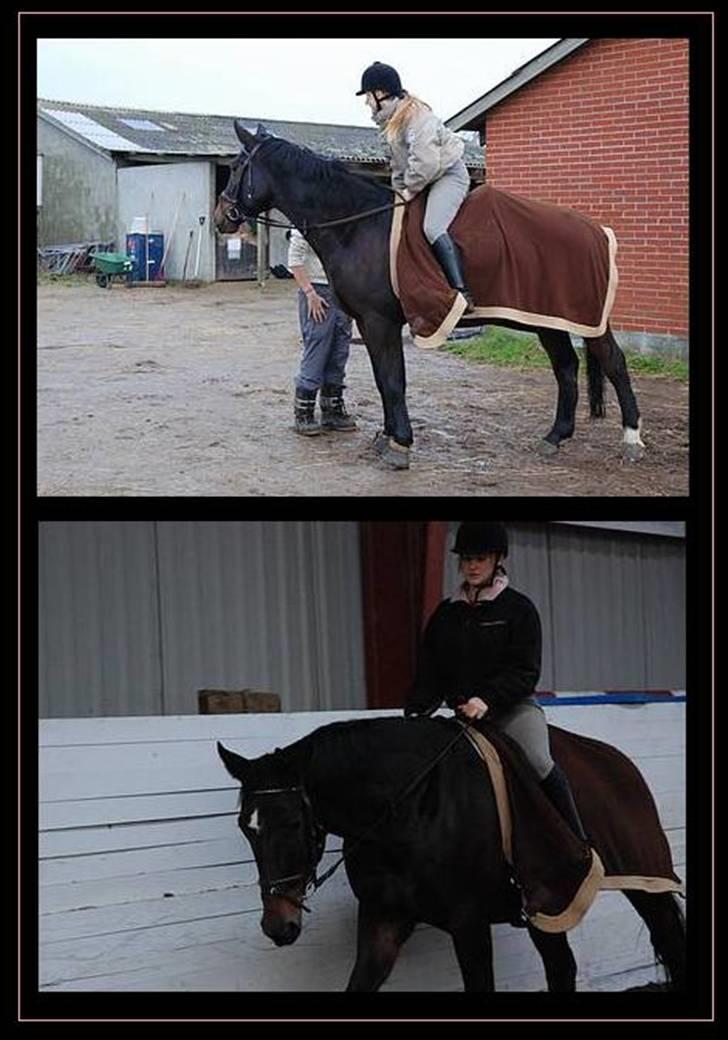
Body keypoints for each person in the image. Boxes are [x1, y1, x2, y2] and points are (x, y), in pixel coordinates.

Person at [405, 521, 588, 844]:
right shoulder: (445, 615)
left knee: (537, 760)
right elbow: (429, 672)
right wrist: (416, 711)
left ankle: (575, 842)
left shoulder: (518, 609)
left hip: (511, 709)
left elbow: (525, 671)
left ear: (497, 560)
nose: (472, 566)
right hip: (463, 716)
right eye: (467, 559)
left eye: (480, 558)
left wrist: (486, 698)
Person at [356, 61, 474, 311]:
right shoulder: (391, 124)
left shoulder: (417, 117)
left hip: (447, 176)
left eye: (367, 96)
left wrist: (408, 190)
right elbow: (398, 167)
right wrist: (398, 192)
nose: (366, 102)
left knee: (432, 227)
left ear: (379, 93)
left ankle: (461, 292)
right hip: (424, 178)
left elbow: (426, 163)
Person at [287, 227, 357, 436]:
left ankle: (332, 408)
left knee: (340, 350)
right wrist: (310, 293)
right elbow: (295, 260)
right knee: (317, 347)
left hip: (341, 288)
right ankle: (303, 411)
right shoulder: (304, 222)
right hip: (317, 289)